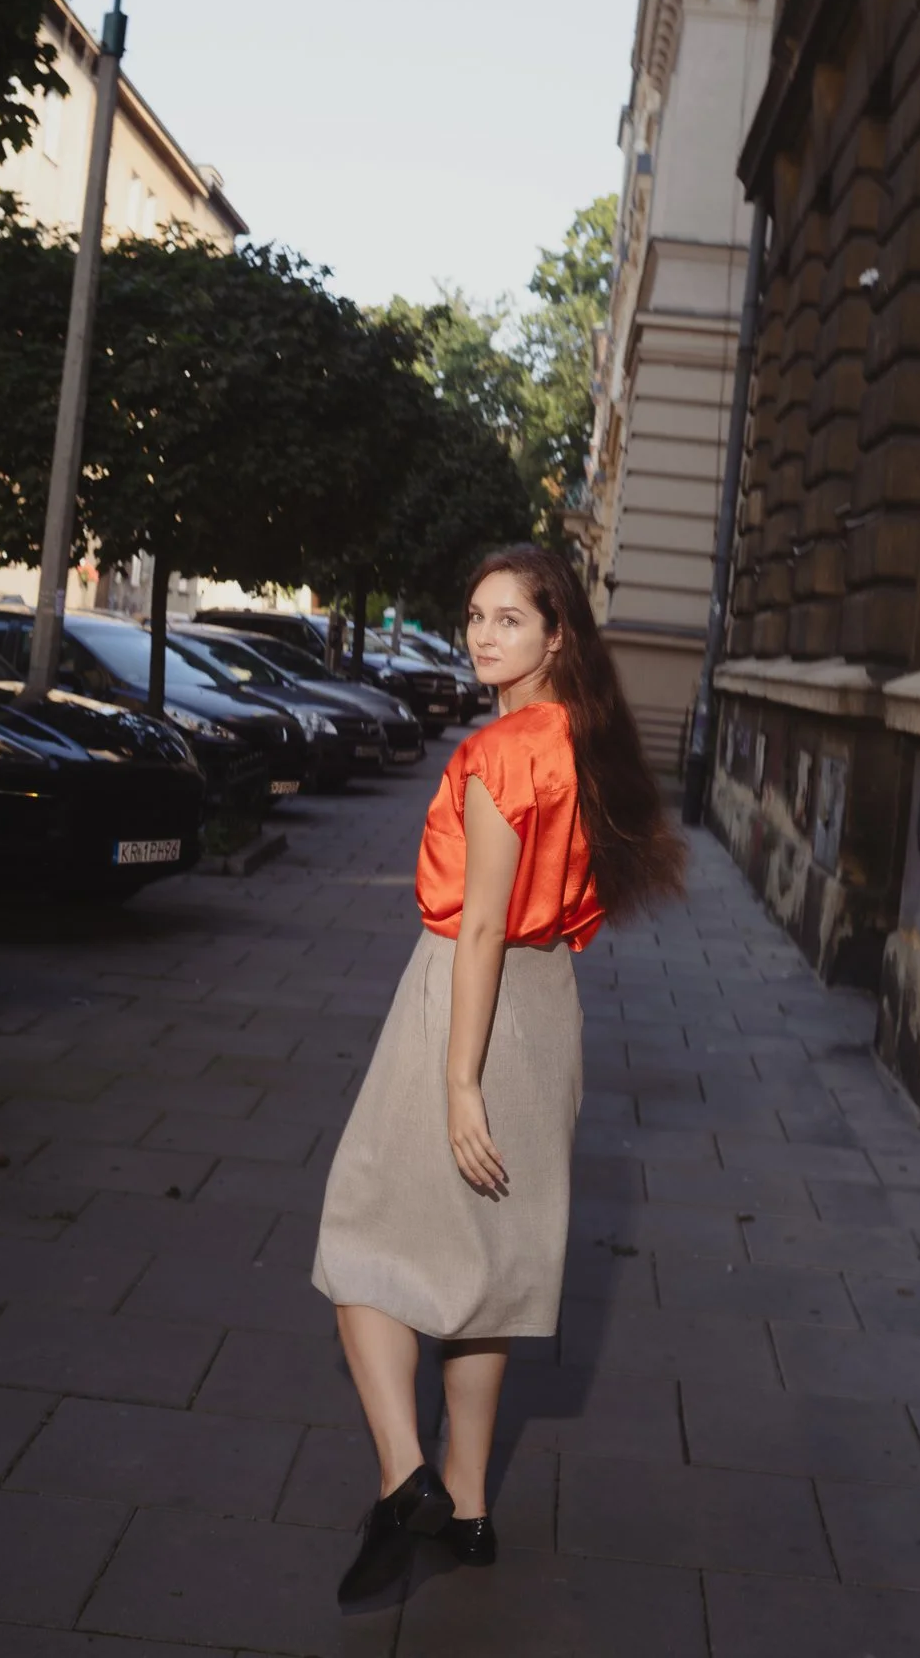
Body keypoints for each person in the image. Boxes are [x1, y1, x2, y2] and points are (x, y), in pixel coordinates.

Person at [312, 544, 685, 1603]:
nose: (482, 635)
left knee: (359, 1238)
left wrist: (457, 1080)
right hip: (548, 1009)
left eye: (509, 619)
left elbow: (477, 926)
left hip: (464, 1006)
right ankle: (471, 1509)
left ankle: (405, 1480)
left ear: (557, 632)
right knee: (484, 1270)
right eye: (474, 615)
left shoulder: (504, 751)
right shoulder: (591, 745)